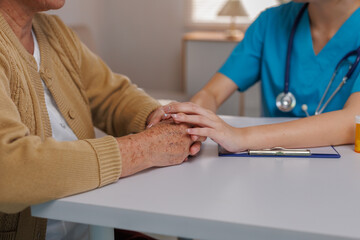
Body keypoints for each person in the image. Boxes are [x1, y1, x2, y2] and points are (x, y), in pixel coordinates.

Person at [0, 0, 203, 239]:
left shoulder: (53, 31)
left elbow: (113, 95)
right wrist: (142, 149)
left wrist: (163, 119)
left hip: (94, 226)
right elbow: (10, 168)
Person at [156, 0, 360, 153]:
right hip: (271, 166)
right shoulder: (271, 22)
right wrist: (191, 123)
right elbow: (212, 93)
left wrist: (241, 137)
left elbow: (353, 121)